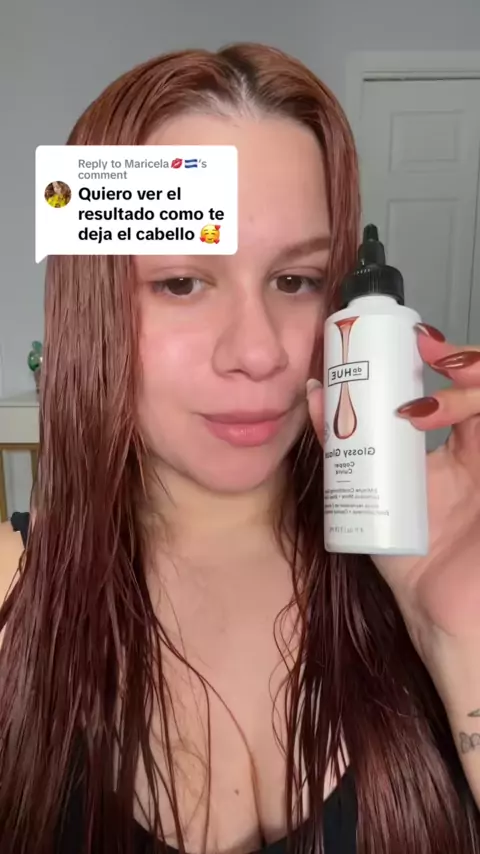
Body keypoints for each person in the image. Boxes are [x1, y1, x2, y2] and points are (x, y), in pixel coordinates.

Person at [0, 43, 479, 854]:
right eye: (182, 282)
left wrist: (459, 636)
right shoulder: (11, 597)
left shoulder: (434, 567)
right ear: (92, 305)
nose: (258, 353)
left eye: (296, 281)